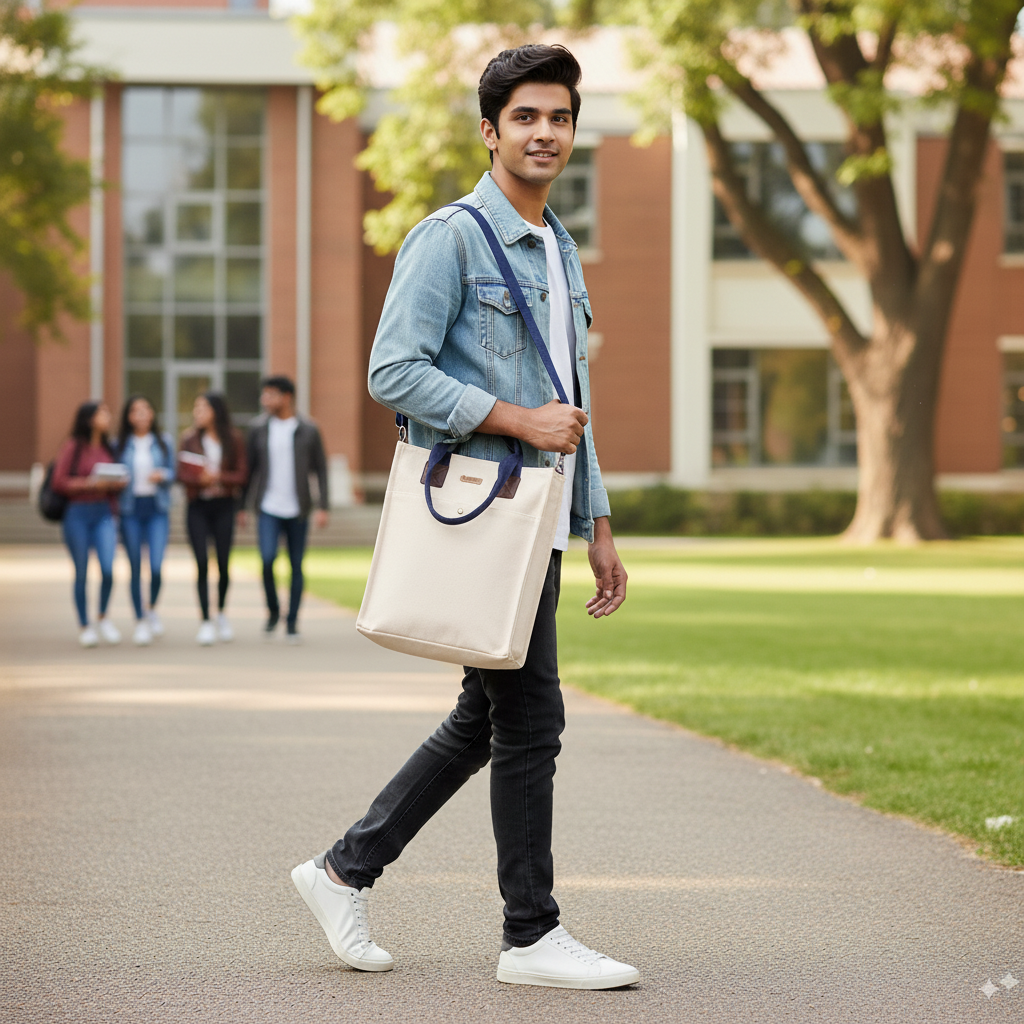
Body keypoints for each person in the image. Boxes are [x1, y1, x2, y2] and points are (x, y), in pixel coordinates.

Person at [290, 45, 636, 990]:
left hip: (540, 518)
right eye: (525, 117)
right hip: (485, 512)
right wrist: (516, 419)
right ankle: (530, 934)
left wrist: (598, 522)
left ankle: (343, 871)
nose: (544, 133)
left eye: (559, 117)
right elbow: (392, 370)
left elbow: (572, 402)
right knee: (529, 719)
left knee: (487, 718)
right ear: (490, 131)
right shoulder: (449, 238)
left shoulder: (560, 246)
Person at [241, 375, 329, 643]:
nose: (264, 399)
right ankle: (272, 611)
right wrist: (241, 506)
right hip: (267, 506)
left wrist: (323, 506)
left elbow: (321, 470)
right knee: (267, 559)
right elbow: (249, 470)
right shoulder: (258, 428)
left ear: (286, 397)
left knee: (296, 565)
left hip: (298, 508)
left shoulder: (308, 429)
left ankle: (292, 622)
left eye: (270, 394)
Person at [52, 401, 128, 647]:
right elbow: (59, 481)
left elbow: (118, 474)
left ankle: (103, 617)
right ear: (89, 419)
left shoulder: (109, 447)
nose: (108, 416)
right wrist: (89, 484)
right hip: (78, 513)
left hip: (103, 511)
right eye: (102, 413)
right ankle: (85, 625)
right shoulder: (73, 447)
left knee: (108, 569)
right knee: (82, 571)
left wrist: (117, 482)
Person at [176, 392, 248, 646]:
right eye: (196, 408)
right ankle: (205, 620)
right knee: (202, 563)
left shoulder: (234, 438)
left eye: (202, 408)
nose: (197, 413)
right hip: (197, 506)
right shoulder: (189, 438)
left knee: (224, 564)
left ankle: (221, 614)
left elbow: (242, 475)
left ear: (216, 411)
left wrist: (218, 477)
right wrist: (200, 479)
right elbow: (181, 473)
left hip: (224, 506)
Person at [115, 396, 176, 646]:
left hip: (156, 509)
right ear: (129, 417)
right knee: (135, 568)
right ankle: (140, 620)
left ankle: (151, 609)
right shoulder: (120, 444)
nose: (141, 414)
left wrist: (163, 475)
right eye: (135, 411)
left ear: (152, 414)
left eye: (146, 409)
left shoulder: (163, 442)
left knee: (157, 566)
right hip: (130, 509)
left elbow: (174, 472)